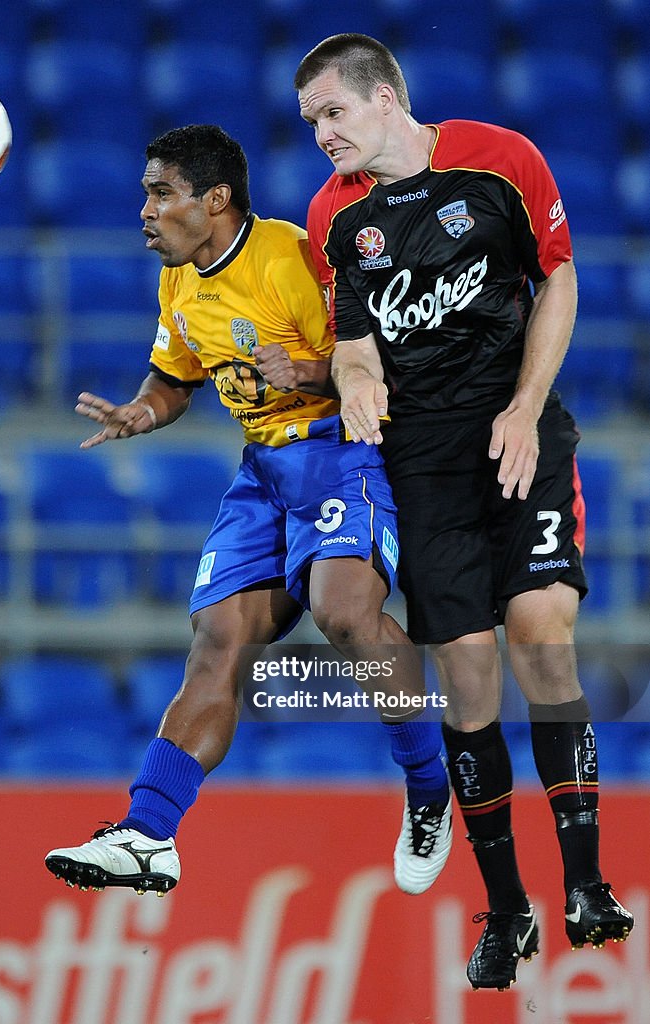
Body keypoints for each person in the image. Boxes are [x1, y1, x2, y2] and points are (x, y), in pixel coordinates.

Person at [293, 34, 633, 991]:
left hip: (515, 425)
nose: (321, 134)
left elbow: (557, 275)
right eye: (310, 121)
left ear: (387, 96)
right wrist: (356, 385)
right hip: (421, 458)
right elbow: (354, 341)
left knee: (541, 634)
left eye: (333, 111)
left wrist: (525, 407)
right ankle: (506, 910)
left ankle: (586, 884)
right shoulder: (334, 215)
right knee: (471, 677)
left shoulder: (501, 158)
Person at [44, 124, 453, 899]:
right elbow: (176, 377)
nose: (146, 210)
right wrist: (144, 411)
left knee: (343, 613)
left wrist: (304, 368)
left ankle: (428, 786)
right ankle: (148, 834)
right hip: (263, 474)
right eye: (145, 194)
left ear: (216, 198)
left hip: (341, 450)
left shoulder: (293, 257)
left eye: (161, 193)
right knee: (215, 641)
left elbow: (384, 361)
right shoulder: (180, 279)